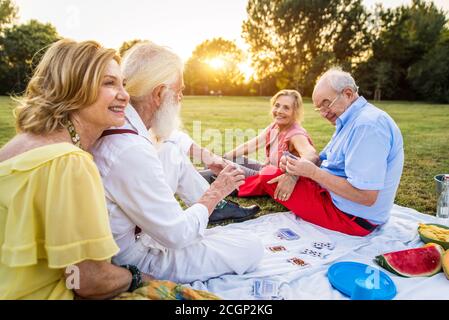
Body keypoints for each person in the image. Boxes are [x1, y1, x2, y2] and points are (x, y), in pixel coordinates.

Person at [90, 41, 264, 284]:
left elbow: (172, 137)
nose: (181, 98)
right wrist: (215, 192)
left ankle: (211, 210)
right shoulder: (131, 151)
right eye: (179, 91)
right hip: (141, 257)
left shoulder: (124, 122)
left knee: (172, 151)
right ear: (159, 93)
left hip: (141, 234)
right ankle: (211, 207)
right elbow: (177, 235)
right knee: (251, 247)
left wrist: (208, 157)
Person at [0, 39, 155, 300]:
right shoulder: (69, 163)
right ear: (72, 87)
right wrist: (138, 277)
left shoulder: (15, 147)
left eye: (123, 84)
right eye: (109, 83)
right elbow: (88, 281)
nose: (125, 95)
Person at [249, 68, 404, 237]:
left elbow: (366, 197)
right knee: (275, 171)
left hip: (351, 218)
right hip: (336, 198)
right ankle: (235, 177)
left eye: (326, 103)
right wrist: (294, 169)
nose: (323, 113)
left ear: (348, 94)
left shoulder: (366, 126)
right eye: (319, 108)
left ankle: (236, 181)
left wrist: (312, 173)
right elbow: (321, 159)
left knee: (268, 175)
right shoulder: (350, 120)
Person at [207, 89, 319, 201]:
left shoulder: (296, 134)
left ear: (295, 112)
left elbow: (311, 154)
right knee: (231, 158)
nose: (279, 111)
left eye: (286, 108)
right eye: (277, 105)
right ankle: (204, 173)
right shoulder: (275, 127)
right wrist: (225, 156)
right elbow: (250, 146)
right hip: (265, 170)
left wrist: (292, 176)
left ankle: (198, 177)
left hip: (268, 180)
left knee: (220, 165)